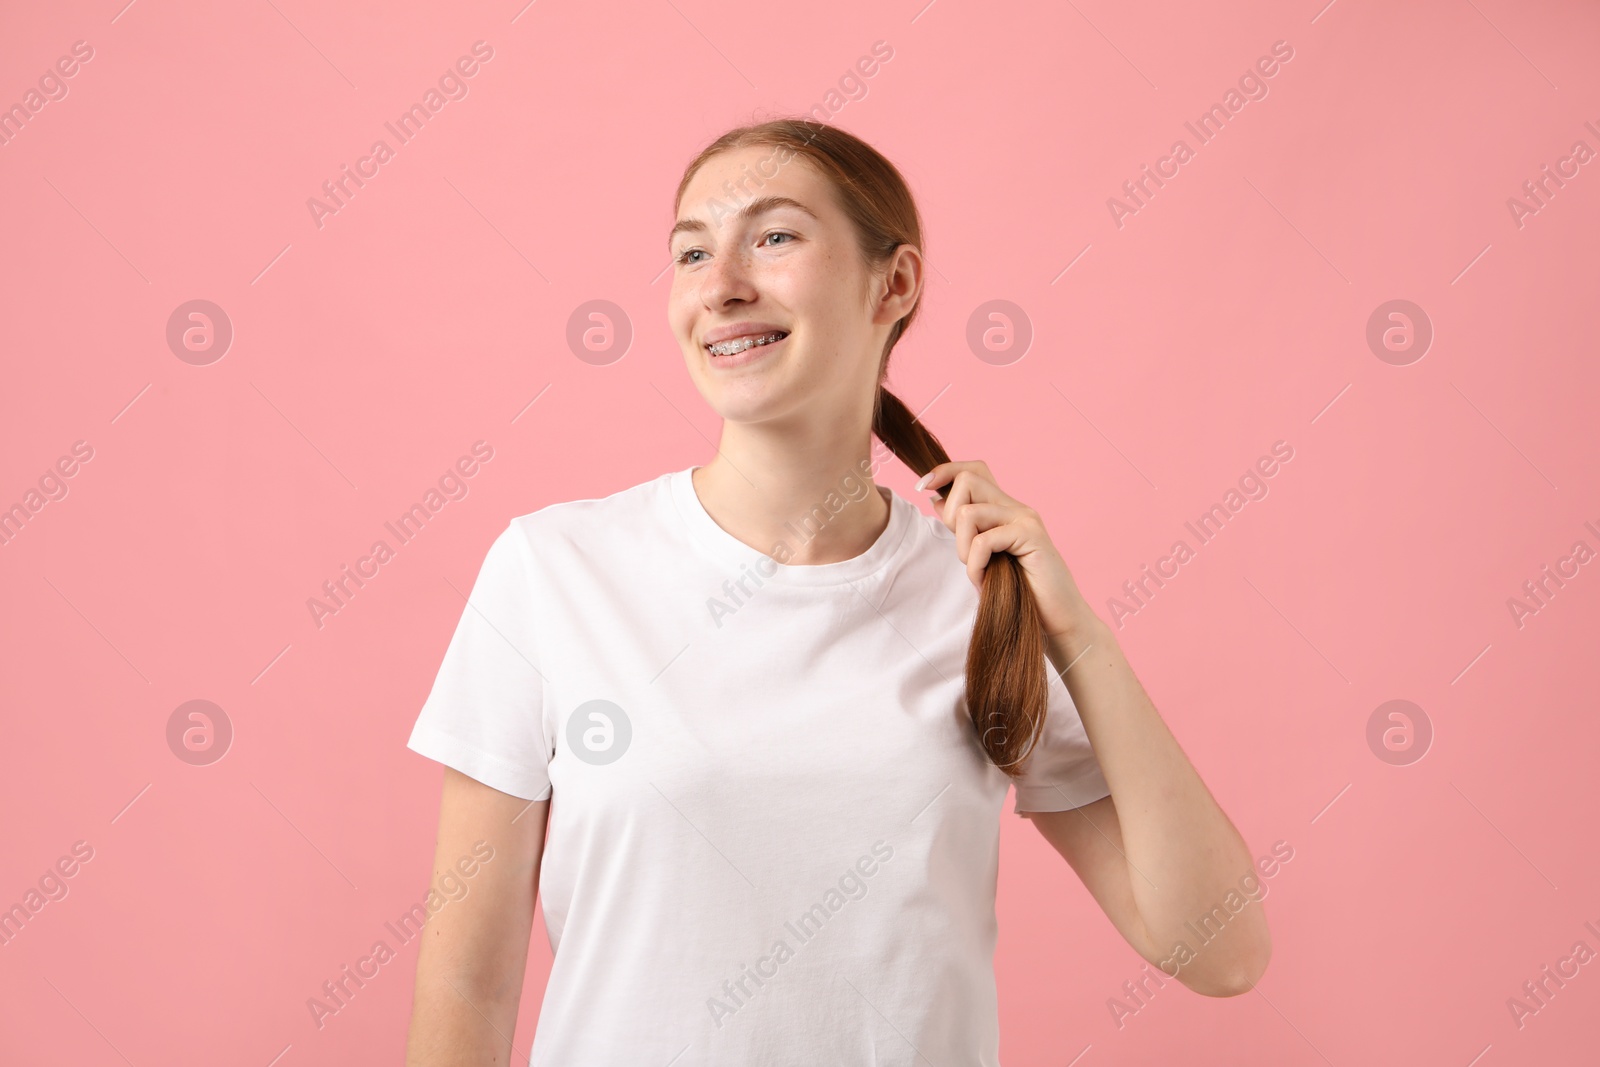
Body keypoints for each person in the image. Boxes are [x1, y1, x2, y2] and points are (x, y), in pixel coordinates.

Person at [402, 118, 1271, 1066]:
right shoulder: (553, 568)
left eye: (773, 236)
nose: (722, 283)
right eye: (692, 250)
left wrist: (1077, 634)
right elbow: (466, 986)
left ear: (894, 285)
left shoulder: (983, 602)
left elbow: (1219, 950)